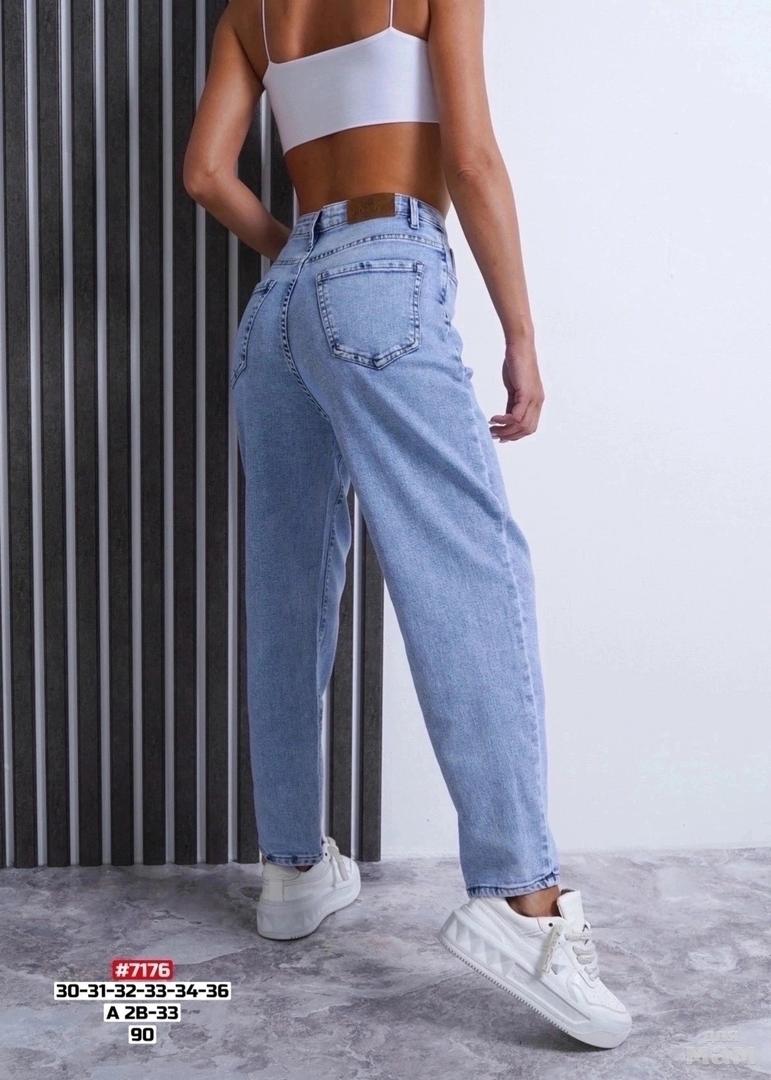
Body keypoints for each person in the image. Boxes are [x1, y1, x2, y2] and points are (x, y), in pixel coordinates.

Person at [184, 0, 631, 1049]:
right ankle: (521, 899)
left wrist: (297, 255)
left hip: (278, 308)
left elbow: (206, 174)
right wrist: (522, 335)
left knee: (288, 587)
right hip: (387, 263)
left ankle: (294, 870)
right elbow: (469, 156)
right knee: (469, 566)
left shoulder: (249, 11)